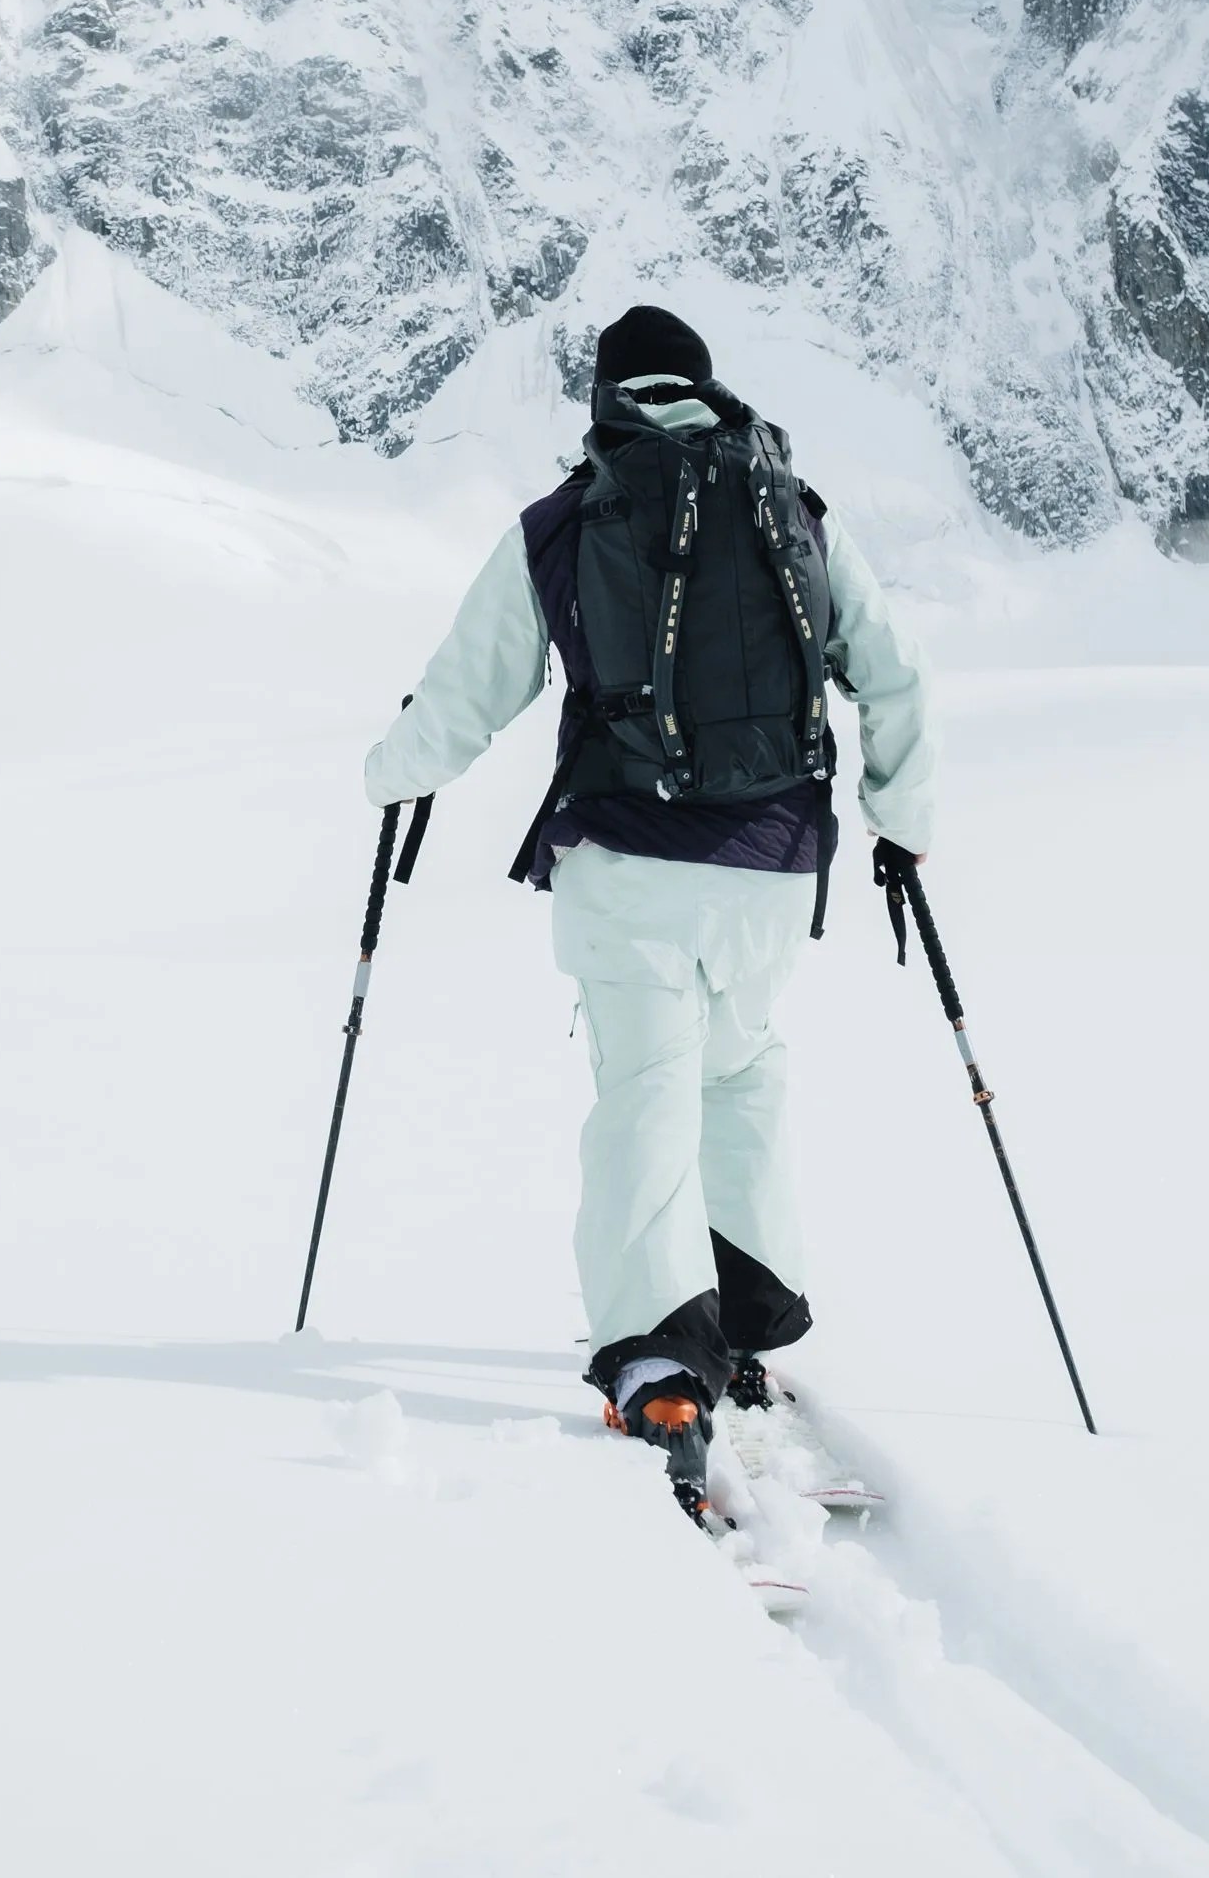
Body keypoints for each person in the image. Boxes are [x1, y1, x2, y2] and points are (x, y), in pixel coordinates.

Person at [360, 304, 933, 1518]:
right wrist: (905, 818)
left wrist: (388, 775)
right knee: (740, 1073)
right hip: (773, 866)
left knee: (646, 1092)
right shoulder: (793, 509)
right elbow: (889, 671)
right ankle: (747, 1318)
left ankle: (662, 1365)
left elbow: (469, 692)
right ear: (705, 388)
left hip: (629, 864)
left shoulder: (568, 517)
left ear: (607, 400)